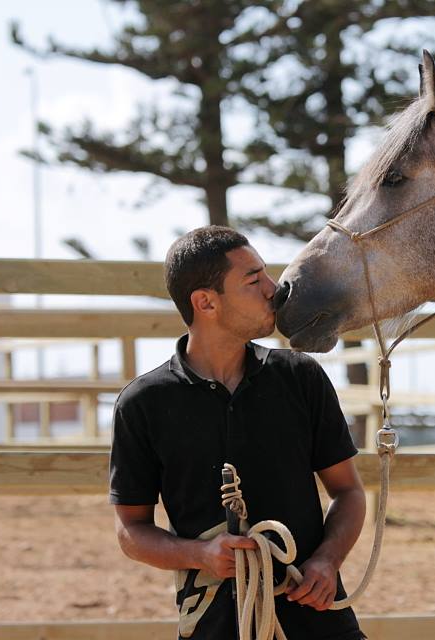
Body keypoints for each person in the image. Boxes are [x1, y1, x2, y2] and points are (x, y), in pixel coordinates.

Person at [110, 225, 367, 640]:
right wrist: (201, 555)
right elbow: (130, 531)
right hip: (214, 624)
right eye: (254, 280)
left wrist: (327, 561)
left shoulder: (301, 377)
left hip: (318, 618)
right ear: (205, 302)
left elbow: (349, 493)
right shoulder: (142, 403)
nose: (274, 289)